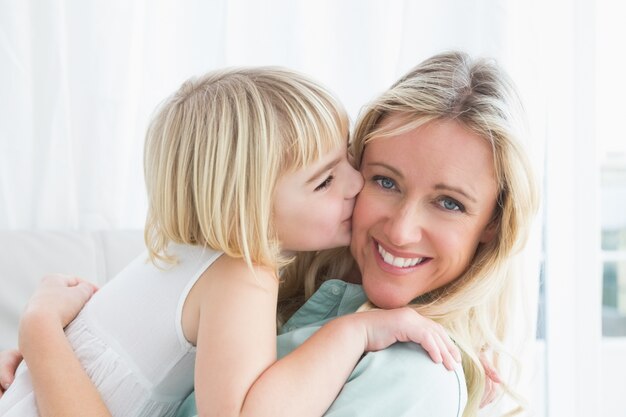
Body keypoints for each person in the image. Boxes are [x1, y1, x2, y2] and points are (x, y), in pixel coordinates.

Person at [0, 50, 538, 417]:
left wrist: (43, 335)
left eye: (449, 202)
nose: (400, 228)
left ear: (495, 222)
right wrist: (45, 353)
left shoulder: (414, 372)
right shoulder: (257, 279)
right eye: (381, 179)